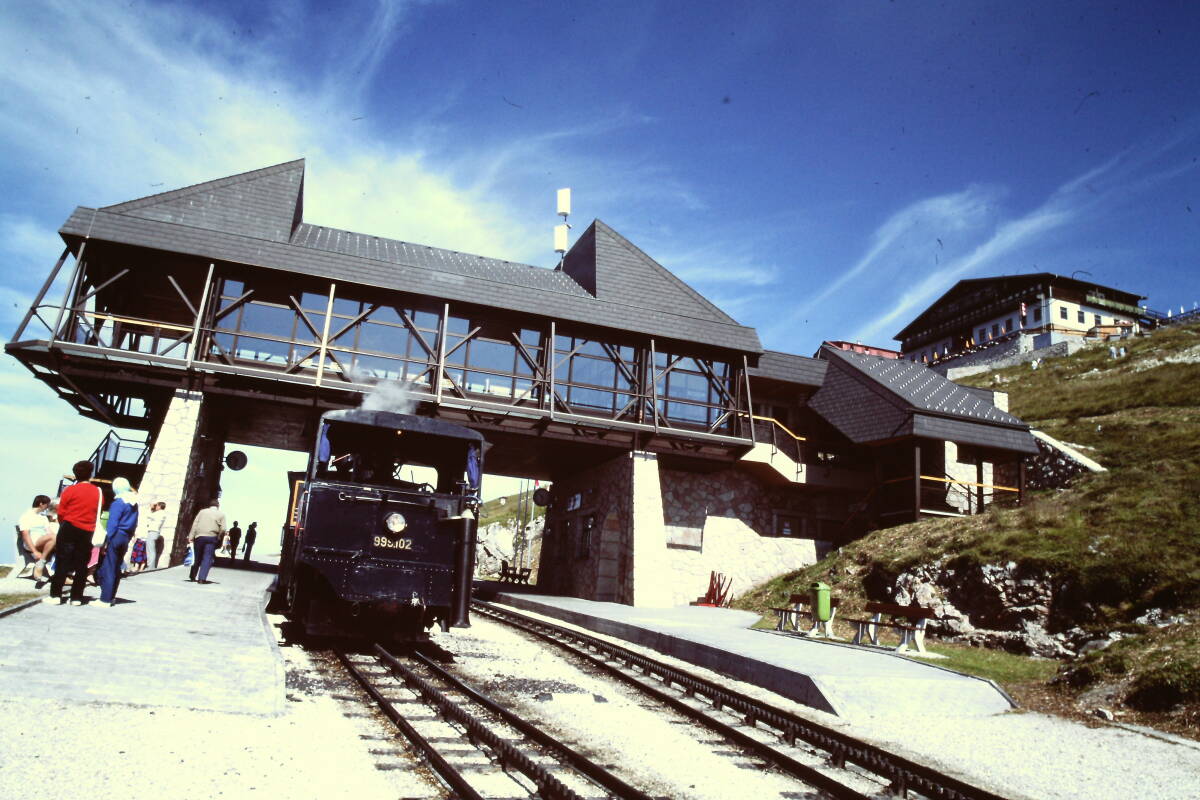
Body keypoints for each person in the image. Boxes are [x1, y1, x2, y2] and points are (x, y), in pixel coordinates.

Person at [46, 460, 102, 606]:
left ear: (75, 474)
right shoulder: (98, 491)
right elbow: (98, 510)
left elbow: (61, 512)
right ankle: (76, 597)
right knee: (82, 564)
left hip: (69, 527)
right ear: (90, 473)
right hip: (87, 530)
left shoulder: (69, 490)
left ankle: (55, 595)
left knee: (62, 561)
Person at [97, 477, 139, 608]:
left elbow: (112, 524)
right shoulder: (133, 503)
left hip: (116, 536)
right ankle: (112, 596)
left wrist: (106, 541)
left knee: (109, 566)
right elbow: (134, 523)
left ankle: (105, 599)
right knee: (116, 568)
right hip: (126, 537)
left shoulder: (118, 502)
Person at [188, 498, 225, 584]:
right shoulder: (221, 514)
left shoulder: (202, 512)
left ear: (209, 505)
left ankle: (193, 576)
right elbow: (223, 529)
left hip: (199, 536)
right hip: (212, 537)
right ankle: (202, 578)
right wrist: (219, 537)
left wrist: (191, 536)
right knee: (207, 558)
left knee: (197, 557)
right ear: (218, 506)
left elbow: (195, 524)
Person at [17, 495, 53, 579]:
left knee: (60, 543)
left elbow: (49, 532)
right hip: (32, 543)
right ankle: (41, 564)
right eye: (47, 505)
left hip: (43, 541)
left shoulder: (43, 518)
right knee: (53, 537)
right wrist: (35, 551)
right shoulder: (26, 516)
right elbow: (25, 535)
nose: (47, 508)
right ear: (41, 504)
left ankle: (42, 564)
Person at [140, 501, 166, 569]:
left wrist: (150, 508)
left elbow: (148, 515)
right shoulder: (162, 513)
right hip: (155, 532)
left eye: (157, 505)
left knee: (150, 550)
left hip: (153, 532)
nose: (155, 507)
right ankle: (151, 565)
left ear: (160, 506)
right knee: (151, 549)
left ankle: (150, 566)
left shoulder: (159, 513)